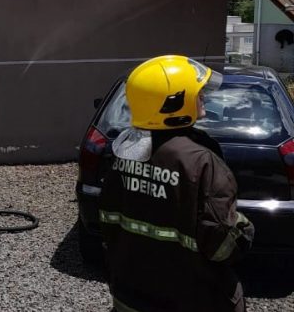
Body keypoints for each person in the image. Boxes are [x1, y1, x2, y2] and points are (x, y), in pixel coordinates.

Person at [99, 55, 254, 312]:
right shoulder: (202, 162)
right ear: (173, 103)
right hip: (192, 299)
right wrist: (243, 228)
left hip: (129, 296)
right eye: (197, 93)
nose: (203, 97)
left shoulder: (122, 152)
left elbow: (107, 224)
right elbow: (222, 248)